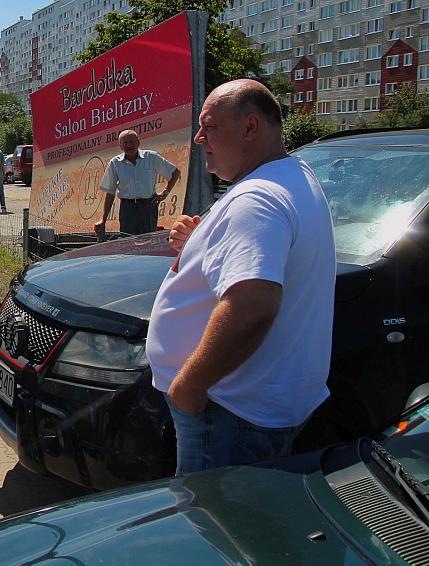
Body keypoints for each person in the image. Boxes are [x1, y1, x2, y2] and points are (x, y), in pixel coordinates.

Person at [146, 79, 336, 475]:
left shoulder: (258, 199)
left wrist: (189, 388)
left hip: (228, 412)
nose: (199, 138)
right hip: (252, 407)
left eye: (210, 126)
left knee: (213, 527)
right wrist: (202, 243)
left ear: (251, 127)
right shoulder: (291, 178)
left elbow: (251, 307)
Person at [94, 129, 181, 235]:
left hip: (148, 207)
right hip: (127, 208)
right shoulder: (115, 163)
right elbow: (110, 192)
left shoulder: (151, 157)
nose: (129, 145)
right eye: (125, 143)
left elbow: (175, 172)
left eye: (131, 141)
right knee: (128, 243)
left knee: (148, 242)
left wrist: (165, 193)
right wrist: (103, 219)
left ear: (138, 142)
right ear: (121, 146)